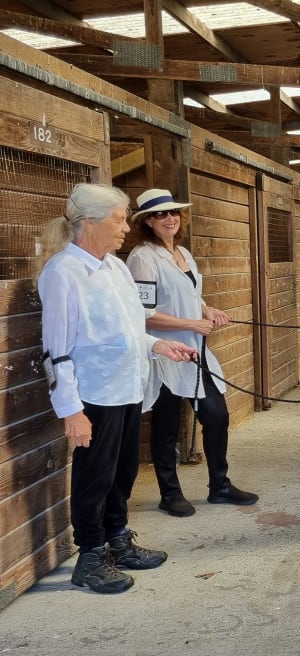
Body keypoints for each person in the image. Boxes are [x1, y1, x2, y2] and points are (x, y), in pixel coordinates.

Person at [36, 183, 198, 594]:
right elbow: (56, 349)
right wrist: (71, 411)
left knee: (124, 471)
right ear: (89, 223)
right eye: (119, 218)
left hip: (128, 387)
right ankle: (90, 558)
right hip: (94, 394)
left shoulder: (115, 267)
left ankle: (117, 540)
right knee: (95, 477)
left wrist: (158, 344)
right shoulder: (63, 273)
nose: (127, 226)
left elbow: (130, 329)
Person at [125, 188, 258, 518]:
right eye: (159, 214)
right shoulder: (142, 257)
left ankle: (220, 486)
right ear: (147, 222)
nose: (169, 218)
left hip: (196, 352)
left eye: (173, 212)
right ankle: (170, 494)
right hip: (167, 354)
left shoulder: (183, 252)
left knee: (217, 416)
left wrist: (207, 310)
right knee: (167, 425)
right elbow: (143, 313)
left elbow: (191, 294)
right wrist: (191, 324)